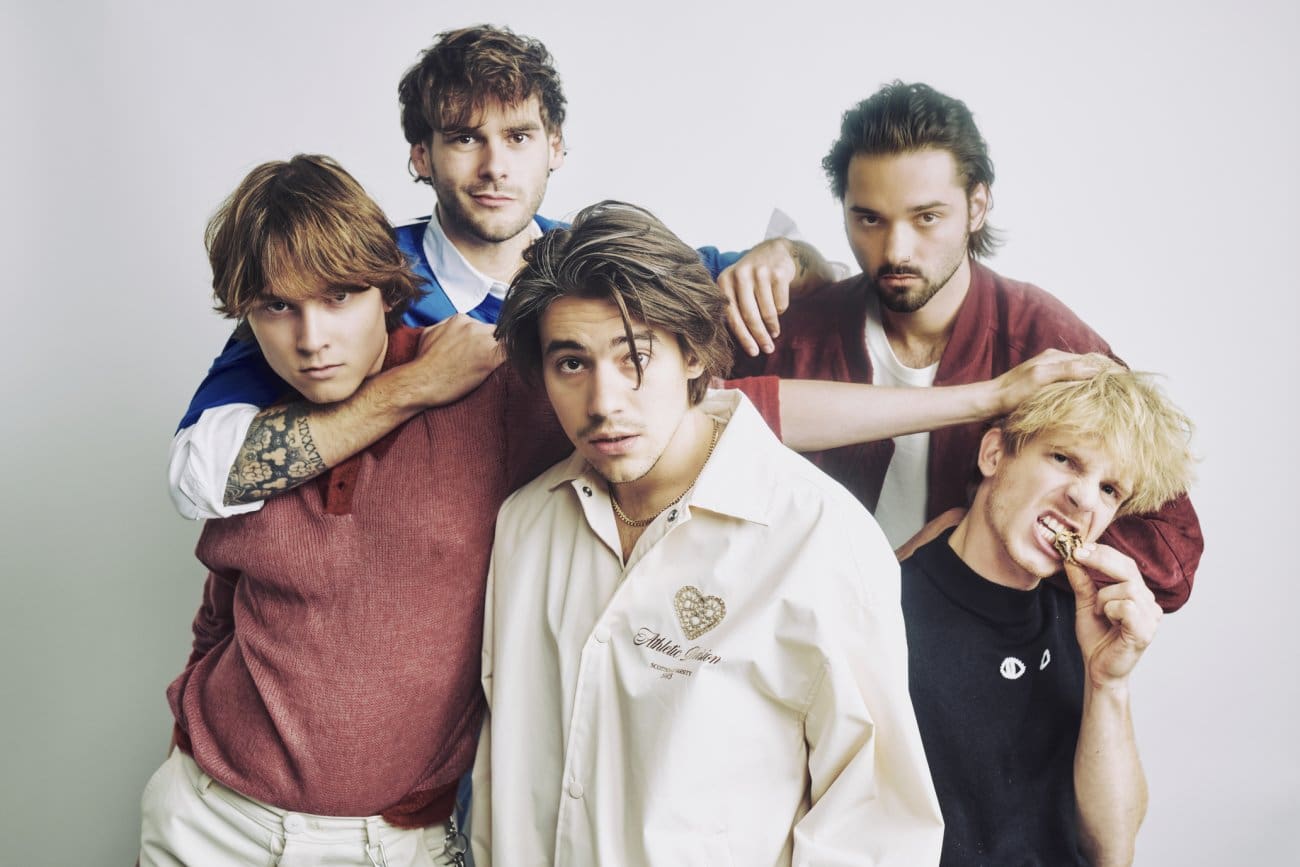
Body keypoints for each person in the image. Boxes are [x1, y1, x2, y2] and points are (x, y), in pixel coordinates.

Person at [167, 24, 835, 521]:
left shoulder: (606, 265)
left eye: (517, 137)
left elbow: (820, 278)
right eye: (464, 138)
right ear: (421, 155)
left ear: (555, 146)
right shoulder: (352, 279)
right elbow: (199, 474)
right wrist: (414, 385)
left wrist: (784, 255)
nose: (494, 168)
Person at [473, 201, 945, 866]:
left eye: (635, 356)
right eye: (572, 364)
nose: (604, 402)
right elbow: (501, 779)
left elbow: (876, 827)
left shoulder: (818, 537)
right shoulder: (527, 525)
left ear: (693, 353)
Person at [138, 155, 573, 866]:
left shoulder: (491, 395)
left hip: (387, 843)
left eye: (338, 297)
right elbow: (222, 611)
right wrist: (179, 769)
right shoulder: (246, 425)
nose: (311, 340)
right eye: (277, 307)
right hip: (207, 821)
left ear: (387, 290)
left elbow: (650, 415)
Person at [732, 81, 1203, 612]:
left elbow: (1172, 561)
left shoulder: (1044, 342)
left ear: (976, 206)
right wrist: (790, 252)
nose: (895, 250)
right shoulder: (793, 330)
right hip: (801, 637)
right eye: (869, 219)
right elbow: (691, 440)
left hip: (979, 651)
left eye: (926, 217)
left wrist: (994, 525)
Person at [901, 357, 1194, 865]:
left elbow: (1113, 851)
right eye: (1064, 459)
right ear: (994, 454)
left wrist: (1108, 684)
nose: (1083, 498)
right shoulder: (886, 606)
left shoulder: (1084, 618)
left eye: (1109, 489)